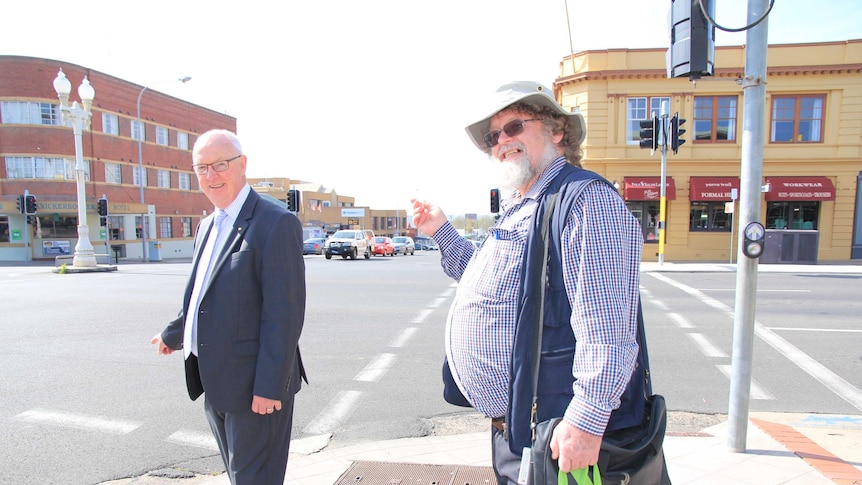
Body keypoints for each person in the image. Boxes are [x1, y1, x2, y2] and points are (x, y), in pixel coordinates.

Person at [411, 82, 643, 483]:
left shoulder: (585, 200)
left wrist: (587, 421)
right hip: (522, 427)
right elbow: (490, 289)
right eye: (492, 136)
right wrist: (441, 230)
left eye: (514, 126)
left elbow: (606, 327)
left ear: (557, 131)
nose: (501, 140)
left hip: (558, 434)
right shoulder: (526, 203)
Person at [151, 129, 306, 485]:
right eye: (201, 168)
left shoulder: (275, 222)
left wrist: (268, 387)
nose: (210, 176)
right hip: (216, 381)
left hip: (256, 389)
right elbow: (201, 294)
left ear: (242, 165)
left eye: (219, 165)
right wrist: (173, 334)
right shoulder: (208, 225)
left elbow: (284, 315)